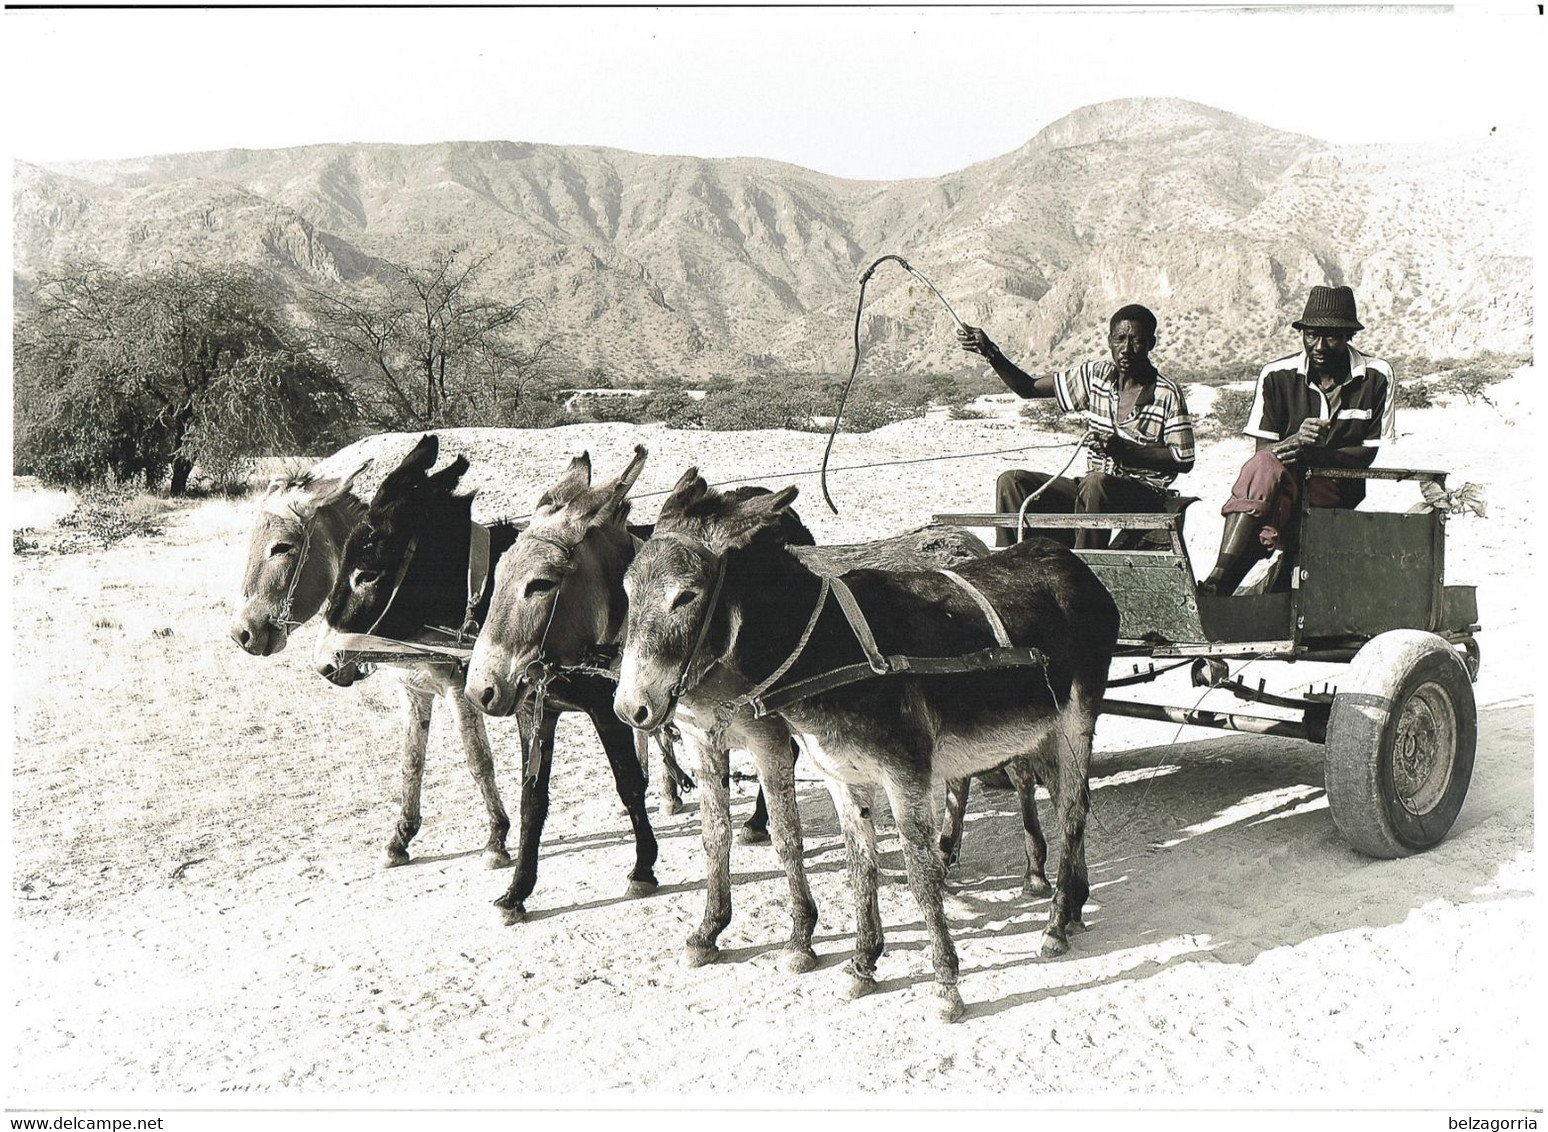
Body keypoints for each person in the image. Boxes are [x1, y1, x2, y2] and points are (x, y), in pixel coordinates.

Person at [1196, 285, 1394, 596]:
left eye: (1331, 337)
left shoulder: (1376, 376)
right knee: (1264, 472)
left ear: (1348, 336)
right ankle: (1221, 582)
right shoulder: (1277, 374)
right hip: (1278, 486)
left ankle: (1220, 582)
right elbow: (1265, 452)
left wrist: (1317, 453)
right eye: (1311, 335)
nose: (1319, 346)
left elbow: (1367, 453)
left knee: (1267, 506)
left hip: (1336, 487)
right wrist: (1296, 441)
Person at [957, 304, 1195, 549]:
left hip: (1143, 494)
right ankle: (1008, 568)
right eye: (1119, 339)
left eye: (1136, 341)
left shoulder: (1167, 393)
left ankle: (1084, 572)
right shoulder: (1096, 376)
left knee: (1096, 483)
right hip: (1092, 490)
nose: (1126, 350)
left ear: (1151, 344)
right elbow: (1028, 388)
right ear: (1109, 341)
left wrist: (1127, 451)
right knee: (1012, 481)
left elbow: (1183, 460)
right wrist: (990, 352)